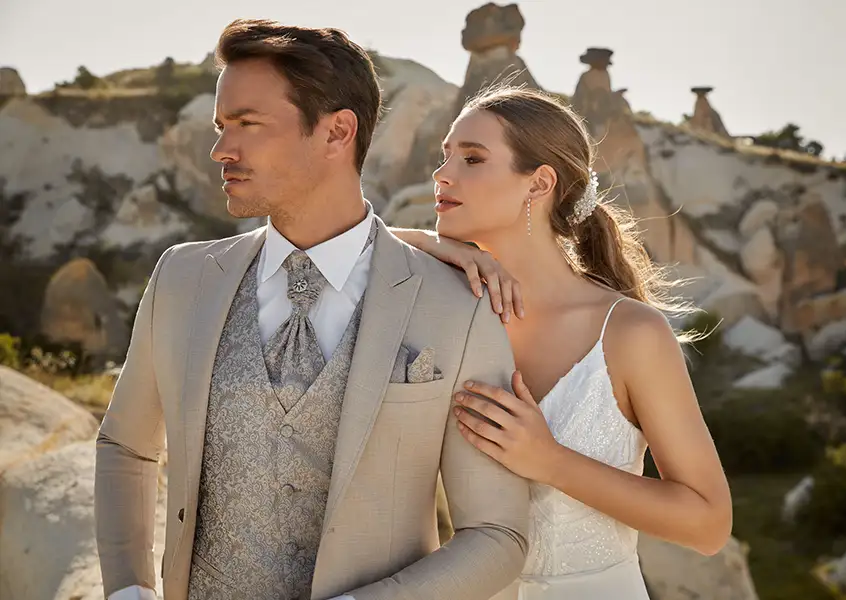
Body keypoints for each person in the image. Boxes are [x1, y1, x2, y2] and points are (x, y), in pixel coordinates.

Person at [94, 19, 530, 600]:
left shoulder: (457, 305)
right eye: (223, 126)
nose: (221, 149)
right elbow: (126, 445)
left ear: (336, 132)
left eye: (248, 124)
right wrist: (129, 589)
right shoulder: (182, 277)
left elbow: (495, 532)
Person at [389, 85, 733, 599]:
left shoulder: (628, 332)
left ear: (539, 183)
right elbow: (346, 251)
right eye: (445, 157)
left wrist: (550, 461)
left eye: (473, 158)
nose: (442, 174)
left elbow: (707, 524)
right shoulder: (440, 308)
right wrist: (425, 242)